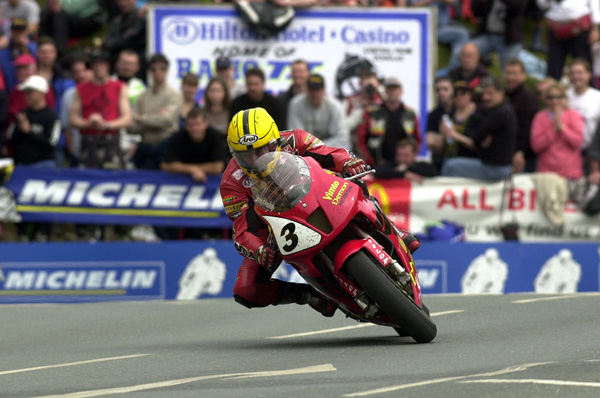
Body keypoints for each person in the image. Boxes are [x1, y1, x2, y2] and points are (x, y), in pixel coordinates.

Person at [220, 107, 422, 317]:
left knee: (356, 180)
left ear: (274, 141)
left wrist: (347, 162)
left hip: (316, 194)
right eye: (244, 156)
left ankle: (393, 231)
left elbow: (327, 153)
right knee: (246, 290)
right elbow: (243, 228)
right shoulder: (231, 183)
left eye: (260, 151)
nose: (253, 161)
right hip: (273, 226)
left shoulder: (294, 139)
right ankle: (309, 295)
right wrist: (258, 248)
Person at [441, 76, 517, 181]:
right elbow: (480, 139)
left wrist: (456, 135)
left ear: (501, 93)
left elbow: (476, 138)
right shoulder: (499, 110)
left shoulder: (500, 113)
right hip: (495, 166)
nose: (485, 97)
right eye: (484, 93)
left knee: (450, 166)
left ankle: (446, 197)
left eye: (490, 93)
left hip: (495, 169)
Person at [69, 49, 131, 169]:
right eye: (95, 65)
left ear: (108, 65)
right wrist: (89, 123)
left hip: (111, 140)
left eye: (102, 64)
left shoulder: (119, 87)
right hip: (89, 140)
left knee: (114, 177)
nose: (98, 68)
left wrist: (107, 125)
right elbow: (72, 119)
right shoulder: (81, 89)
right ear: (91, 67)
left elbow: (127, 118)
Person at [128, 53, 181, 170]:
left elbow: (166, 120)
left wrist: (142, 119)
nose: (158, 72)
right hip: (145, 146)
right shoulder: (142, 96)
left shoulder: (174, 95)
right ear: (149, 71)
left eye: (162, 68)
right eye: (154, 68)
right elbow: (131, 126)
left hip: (166, 146)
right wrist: (155, 120)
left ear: (167, 71)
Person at [356, 76, 421, 167]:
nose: (392, 92)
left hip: (404, 165)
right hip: (378, 165)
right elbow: (360, 139)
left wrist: (411, 159)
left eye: (395, 89)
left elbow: (417, 139)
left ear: (401, 91)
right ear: (385, 91)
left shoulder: (410, 114)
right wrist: (371, 161)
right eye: (389, 89)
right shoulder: (372, 113)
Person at [530, 81, 584, 180]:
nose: (555, 101)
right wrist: (552, 131)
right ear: (545, 99)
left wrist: (563, 128)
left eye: (559, 97)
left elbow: (577, 142)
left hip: (570, 172)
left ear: (564, 98)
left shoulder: (573, 115)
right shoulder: (540, 117)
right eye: (551, 97)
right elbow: (536, 146)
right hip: (546, 173)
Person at [536, 0, 600, 82]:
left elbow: (594, 4)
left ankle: (590, 92)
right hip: (556, 30)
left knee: (583, 66)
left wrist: (595, 28)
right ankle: (552, 93)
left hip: (579, 29)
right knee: (553, 69)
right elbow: (542, 4)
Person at [161, 107, 227, 182]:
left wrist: (191, 169)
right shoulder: (178, 137)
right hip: (181, 182)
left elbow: (218, 167)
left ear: (205, 124)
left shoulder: (215, 136)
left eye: (198, 124)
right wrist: (192, 169)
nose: (194, 129)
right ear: (186, 125)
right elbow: (165, 165)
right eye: (190, 125)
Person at [7, 74, 60, 167]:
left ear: (40, 93)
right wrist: (21, 129)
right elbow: (10, 138)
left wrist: (29, 131)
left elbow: (51, 142)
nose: (26, 95)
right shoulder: (22, 114)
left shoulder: (51, 116)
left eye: (29, 92)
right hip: (21, 164)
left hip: (43, 165)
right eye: (25, 92)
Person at [407, 0, 471, 77]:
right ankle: (450, 71)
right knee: (462, 34)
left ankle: (452, 70)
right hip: (424, 27)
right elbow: (413, 5)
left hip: (444, 25)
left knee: (465, 33)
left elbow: (453, 3)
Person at [287, 73, 350, 149]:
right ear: (306, 90)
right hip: (304, 152)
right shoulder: (296, 104)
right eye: (311, 90)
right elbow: (296, 136)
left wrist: (319, 147)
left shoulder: (335, 106)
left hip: (329, 151)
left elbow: (343, 139)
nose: (314, 93)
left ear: (324, 91)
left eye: (317, 90)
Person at [39, 0, 107, 64]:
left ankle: (59, 56)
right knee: (47, 11)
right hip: (70, 17)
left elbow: (72, 8)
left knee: (59, 16)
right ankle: (42, 46)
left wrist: (58, 4)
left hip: (89, 20)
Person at [504, 58, 539, 173]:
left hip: (523, 156)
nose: (510, 78)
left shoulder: (527, 98)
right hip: (509, 152)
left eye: (514, 74)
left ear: (523, 76)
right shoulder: (504, 94)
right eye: (508, 73)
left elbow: (527, 128)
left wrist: (520, 151)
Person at [469, 0, 528, 69]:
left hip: (509, 39)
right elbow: (476, 11)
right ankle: (456, 77)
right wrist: (479, 2)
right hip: (488, 36)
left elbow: (518, 8)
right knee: (464, 52)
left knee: (510, 69)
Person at [437, 80, 483, 167]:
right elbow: (440, 148)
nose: (459, 97)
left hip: (468, 160)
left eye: (463, 93)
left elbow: (477, 146)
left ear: (469, 96)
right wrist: (442, 135)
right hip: (448, 158)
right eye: (456, 95)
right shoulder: (448, 117)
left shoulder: (477, 118)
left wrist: (455, 135)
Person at [102, 0, 146, 80]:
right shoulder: (116, 21)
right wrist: (125, 36)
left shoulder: (143, 17)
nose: (123, 3)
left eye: (127, 0)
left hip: (141, 72)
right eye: (120, 0)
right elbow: (108, 44)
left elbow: (132, 36)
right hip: (117, 72)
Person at [565, 58, 600, 153]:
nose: (576, 76)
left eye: (579, 72)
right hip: (568, 152)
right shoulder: (563, 97)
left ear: (588, 75)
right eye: (572, 73)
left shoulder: (597, 97)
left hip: (591, 151)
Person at [425, 76, 454, 172]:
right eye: (438, 90)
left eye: (445, 89)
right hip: (440, 159)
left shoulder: (459, 111)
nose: (441, 93)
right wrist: (443, 135)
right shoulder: (434, 114)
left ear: (453, 90)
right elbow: (430, 143)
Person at [0, 17, 37, 92]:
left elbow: (40, 62)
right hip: (8, 93)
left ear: (26, 32)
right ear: (11, 32)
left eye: (21, 31)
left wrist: (28, 47)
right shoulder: (2, 53)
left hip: (28, 92)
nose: (18, 34)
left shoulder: (33, 48)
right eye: (15, 31)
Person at [448, 42, 490, 107]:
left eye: (471, 56)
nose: (467, 60)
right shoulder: (453, 74)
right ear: (460, 58)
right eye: (465, 56)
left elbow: (488, 100)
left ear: (478, 57)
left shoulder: (485, 76)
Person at [276, 59, 310, 130]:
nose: (297, 75)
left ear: (308, 73)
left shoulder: (315, 99)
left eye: (301, 71)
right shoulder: (281, 101)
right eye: (295, 72)